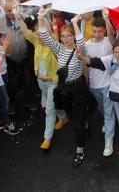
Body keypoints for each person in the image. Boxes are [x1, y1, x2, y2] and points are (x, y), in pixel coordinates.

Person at [38, 9, 89, 168]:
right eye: (63, 36)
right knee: (73, 118)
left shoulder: (80, 49)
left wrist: (74, 23)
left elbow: (81, 41)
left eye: (69, 35)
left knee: (77, 124)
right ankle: (83, 124)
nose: (66, 39)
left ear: (73, 36)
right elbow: (46, 37)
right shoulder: (59, 49)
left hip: (79, 88)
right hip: (66, 91)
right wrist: (41, 19)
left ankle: (80, 150)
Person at [78, 37, 119, 163]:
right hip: (116, 96)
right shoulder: (110, 60)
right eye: (116, 52)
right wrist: (81, 57)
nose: (118, 55)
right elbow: (94, 62)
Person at [15, 12, 65, 150]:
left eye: (40, 32)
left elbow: (45, 31)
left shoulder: (53, 41)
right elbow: (25, 31)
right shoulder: (36, 42)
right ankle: (63, 117)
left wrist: (41, 19)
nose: (38, 35)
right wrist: (18, 17)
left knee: (49, 109)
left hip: (53, 82)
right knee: (53, 104)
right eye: (36, 32)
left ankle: (47, 138)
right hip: (40, 82)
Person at [83, 11, 116, 157]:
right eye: (94, 31)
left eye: (100, 31)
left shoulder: (108, 42)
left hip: (108, 83)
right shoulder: (87, 45)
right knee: (102, 109)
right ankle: (109, 123)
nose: (96, 34)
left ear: (104, 30)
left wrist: (107, 18)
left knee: (108, 113)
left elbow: (112, 36)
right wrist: (87, 82)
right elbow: (85, 65)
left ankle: (108, 141)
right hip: (94, 85)